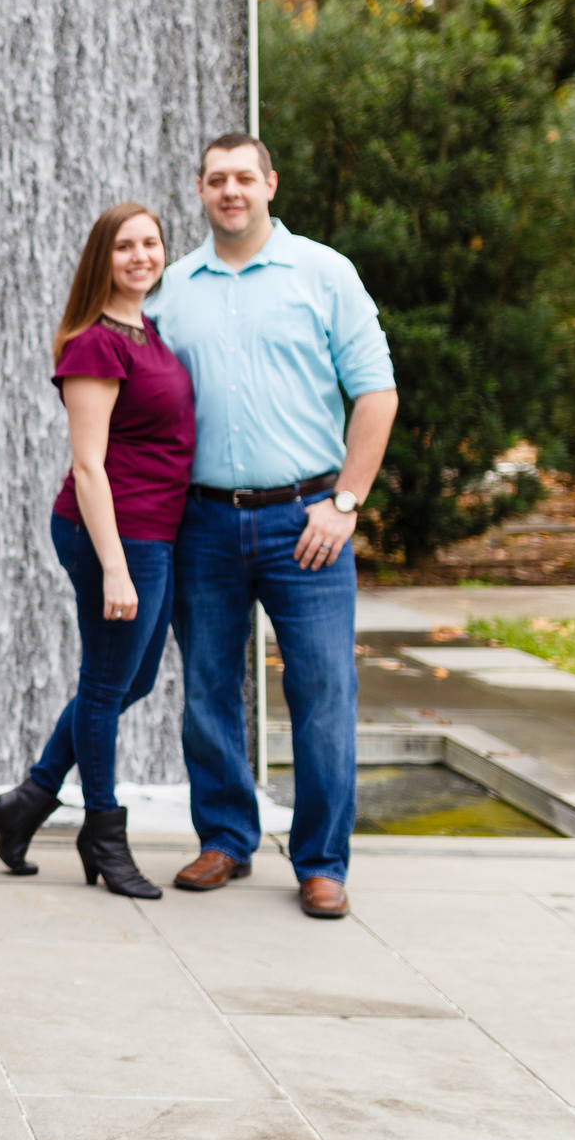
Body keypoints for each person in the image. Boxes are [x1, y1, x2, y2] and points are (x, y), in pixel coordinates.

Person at [146, 135, 397, 919]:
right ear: (199, 189)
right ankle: (225, 838)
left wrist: (346, 502)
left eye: (244, 178)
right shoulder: (171, 288)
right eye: (217, 179)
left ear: (269, 184)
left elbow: (377, 394)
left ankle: (322, 861)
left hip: (308, 519)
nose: (231, 191)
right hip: (204, 521)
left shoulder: (324, 273)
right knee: (209, 690)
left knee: (324, 690)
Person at [0, 204, 192, 897]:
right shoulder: (95, 343)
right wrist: (115, 566)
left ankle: (30, 798)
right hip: (114, 532)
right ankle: (102, 831)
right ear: (103, 256)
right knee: (105, 687)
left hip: (154, 531)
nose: (140, 255)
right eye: (125, 245)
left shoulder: (147, 329)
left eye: (150, 242)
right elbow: (89, 464)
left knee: (133, 682)